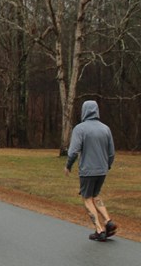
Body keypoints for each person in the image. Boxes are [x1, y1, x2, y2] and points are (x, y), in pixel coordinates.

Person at [64, 100, 117, 241]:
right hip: (102, 170)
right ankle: (108, 221)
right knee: (96, 195)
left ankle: (99, 230)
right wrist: (108, 165)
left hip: (87, 170)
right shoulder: (106, 129)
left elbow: (73, 151)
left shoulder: (80, 129)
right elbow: (111, 152)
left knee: (87, 199)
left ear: (84, 111)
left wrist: (68, 166)